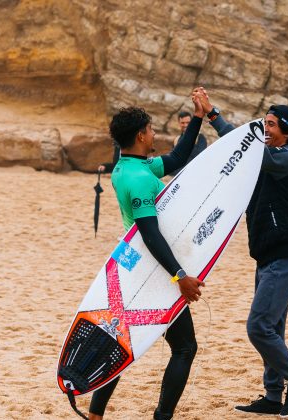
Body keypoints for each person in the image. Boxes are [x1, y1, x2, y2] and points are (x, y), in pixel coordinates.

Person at [193, 87, 288, 418]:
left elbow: (251, 151)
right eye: (264, 121)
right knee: (272, 329)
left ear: (286, 131)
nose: (265, 127)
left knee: (258, 327)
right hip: (265, 258)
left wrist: (214, 117)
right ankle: (274, 396)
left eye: (271, 124)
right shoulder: (263, 159)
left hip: (286, 259)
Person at [88, 100, 205, 420]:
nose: (154, 134)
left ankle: (96, 414)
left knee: (121, 343)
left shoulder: (129, 166)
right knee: (184, 348)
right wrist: (179, 276)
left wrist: (197, 117)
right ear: (141, 135)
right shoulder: (138, 178)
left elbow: (179, 157)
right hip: (151, 270)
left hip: (132, 266)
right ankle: (161, 417)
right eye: (151, 130)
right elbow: (149, 234)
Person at [169, 111, 207, 175]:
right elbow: (174, 160)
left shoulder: (200, 137)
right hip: (179, 177)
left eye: (188, 122)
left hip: (194, 175)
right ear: (179, 123)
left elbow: (201, 157)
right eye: (182, 123)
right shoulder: (176, 140)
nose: (185, 125)